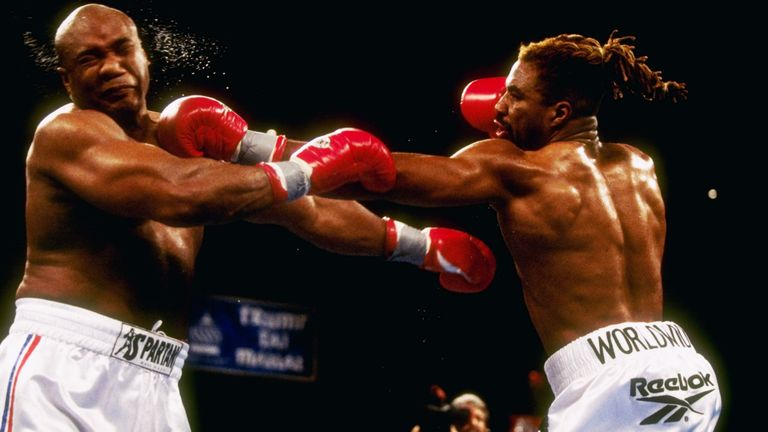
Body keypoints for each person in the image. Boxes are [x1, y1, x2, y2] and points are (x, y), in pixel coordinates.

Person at [0, 4, 495, 431]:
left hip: (157, 375)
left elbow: (309, 210)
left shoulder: (181, 139)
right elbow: (178, 194)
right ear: (66, 78)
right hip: (63, 364)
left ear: (144, 55)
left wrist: (420, 247)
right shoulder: (66, 133)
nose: (110, 67)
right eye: (89, 58)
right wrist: (305, 166)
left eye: (120, 49)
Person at [345, 32, 722, 430]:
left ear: (559, 113)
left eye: (515, 96)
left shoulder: (517, 170)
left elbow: (382, 174)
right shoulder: (639, 165)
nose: (499, 106)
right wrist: (523, 114)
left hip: (610, 385)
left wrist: (278, 155)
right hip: (685, 370)